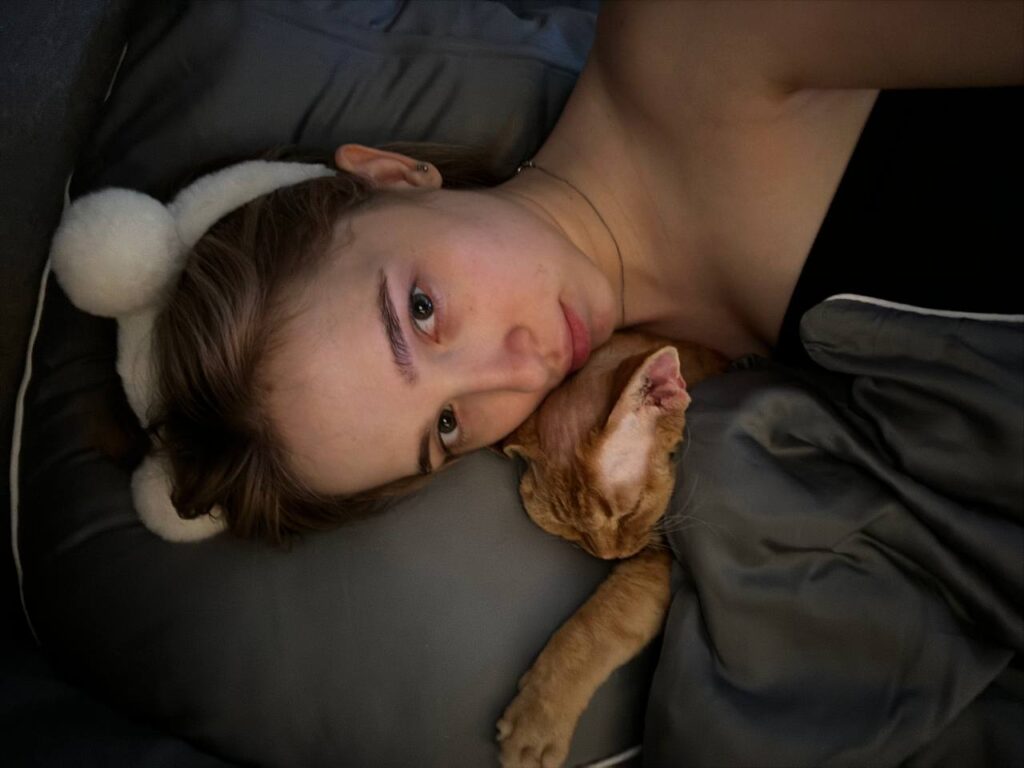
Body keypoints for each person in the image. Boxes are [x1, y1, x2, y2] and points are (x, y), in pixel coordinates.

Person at [152, 0, 1023, 544]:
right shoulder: (679, 417)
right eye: (448, 426)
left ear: (393, 175)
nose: (518, 370)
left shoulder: (697, 32)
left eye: (420, 309)